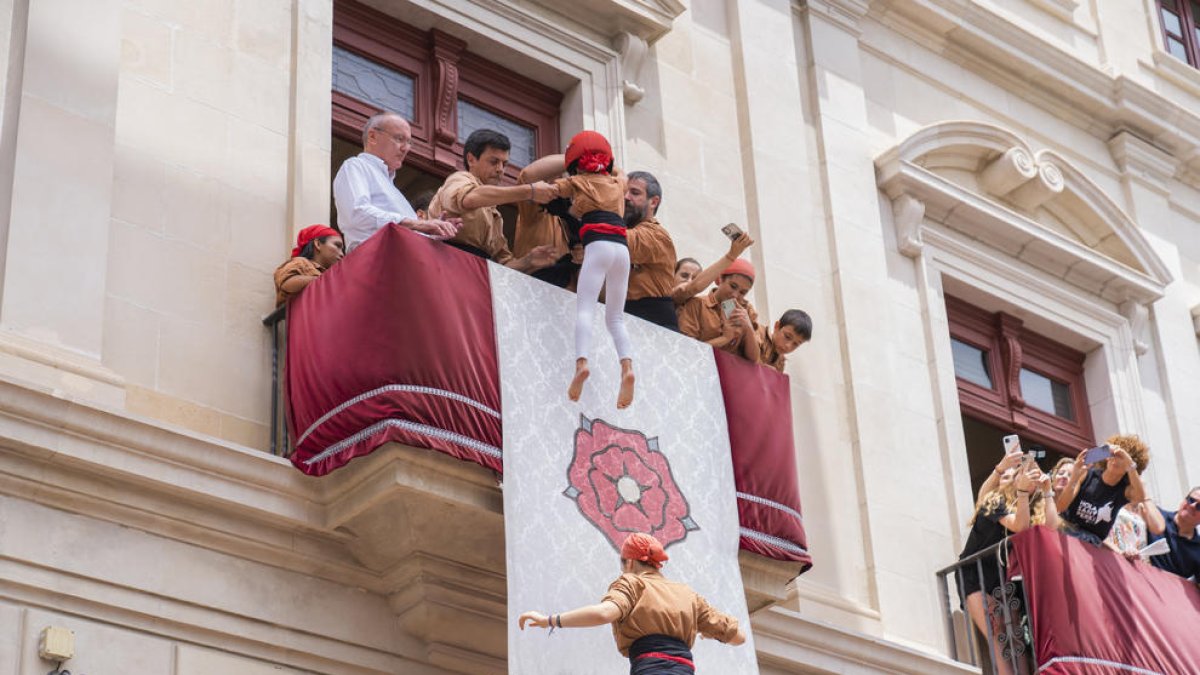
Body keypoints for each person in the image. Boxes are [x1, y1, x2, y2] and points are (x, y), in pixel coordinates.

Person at [517, 533, 746, 673]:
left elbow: (604, 613)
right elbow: (738, 637)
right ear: (657, 565)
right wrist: (706, 631)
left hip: (650, 669)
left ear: (629, 563)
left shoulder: (633, 583)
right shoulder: (688, 595)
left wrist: (551, 620)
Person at [533, 131, 636, 408]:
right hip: (622, 251)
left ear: (576, 164)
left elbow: (550, 191)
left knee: (586, 309)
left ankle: (581, 363)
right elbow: (622, 172)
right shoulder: (617, 183)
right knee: (616, 318)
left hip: (598, 246)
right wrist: (605, 162)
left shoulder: (576, 181)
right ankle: (627, 368)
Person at [957, 457, 1056, 675]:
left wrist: (1047, 491)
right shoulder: (995, 501)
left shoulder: (1027, 508)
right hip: (976, 574)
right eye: (1024, 473)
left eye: (1033, 474)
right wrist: (1004, 473)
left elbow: (1051, 529)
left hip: (1004, 578)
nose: (1029, 477)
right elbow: (1018, 525)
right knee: (996, 633)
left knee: (1016, 635)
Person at [429, 128, 559, 272]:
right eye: (494, 161)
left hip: (476, 276)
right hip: (446, 267)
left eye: (504, 164)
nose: (500, 169)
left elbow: (503, 265)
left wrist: (529, 260)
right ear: (471, 159)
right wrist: (530, 191)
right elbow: (469, 198)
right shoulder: (459, 178)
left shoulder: (494, 214)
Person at [332, 112, 461, 251]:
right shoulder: (356, 166)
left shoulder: (393, 190)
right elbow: (357, 213)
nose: (405, 148)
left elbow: (405, 234)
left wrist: (435, 232)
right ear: (373, 136)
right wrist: (416, 224)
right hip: (372, 259)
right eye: (399, 139)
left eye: (409, 142)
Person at [1056, 435, 1149, 546]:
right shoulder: (1087, 474)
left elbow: (1140, 497)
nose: (1115, 459)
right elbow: (1061, 507)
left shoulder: (1124, 490)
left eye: (1121, 457)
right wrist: (1105, 450)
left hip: (1092, 541)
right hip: (1067, 529)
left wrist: (1130, 464)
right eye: (1113, 455)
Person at [621, 171, 680, 330]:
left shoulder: (657, 235)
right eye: (623, 192)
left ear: (653, 202)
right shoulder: (626, 229)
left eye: (634, 193)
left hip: (655, 322)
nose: (626, 197)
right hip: (625, 317)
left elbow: (618, 242)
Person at [677, 259, 759, 361]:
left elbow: (754, 359)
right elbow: (686, 351)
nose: (735, 295)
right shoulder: (696, 304)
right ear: (719, 279)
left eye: (742, 292)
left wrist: (748, 328)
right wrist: (725, 338)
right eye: (733, 286)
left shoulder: (744, 313)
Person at [274, 225, 344, 306]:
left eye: (342, 249)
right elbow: (287, 284)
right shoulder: (300, 262)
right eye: (337, 246)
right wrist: (323, 280)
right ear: (317, 244)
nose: (342, 254)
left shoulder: (331, 274)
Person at [1144, 487, 1200, 580]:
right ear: (1184, 500)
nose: (1192, 506)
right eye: (1191, 500)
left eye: (1199, 506)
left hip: (1165, 592)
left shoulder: (1198, 549)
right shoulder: (1155, 515)